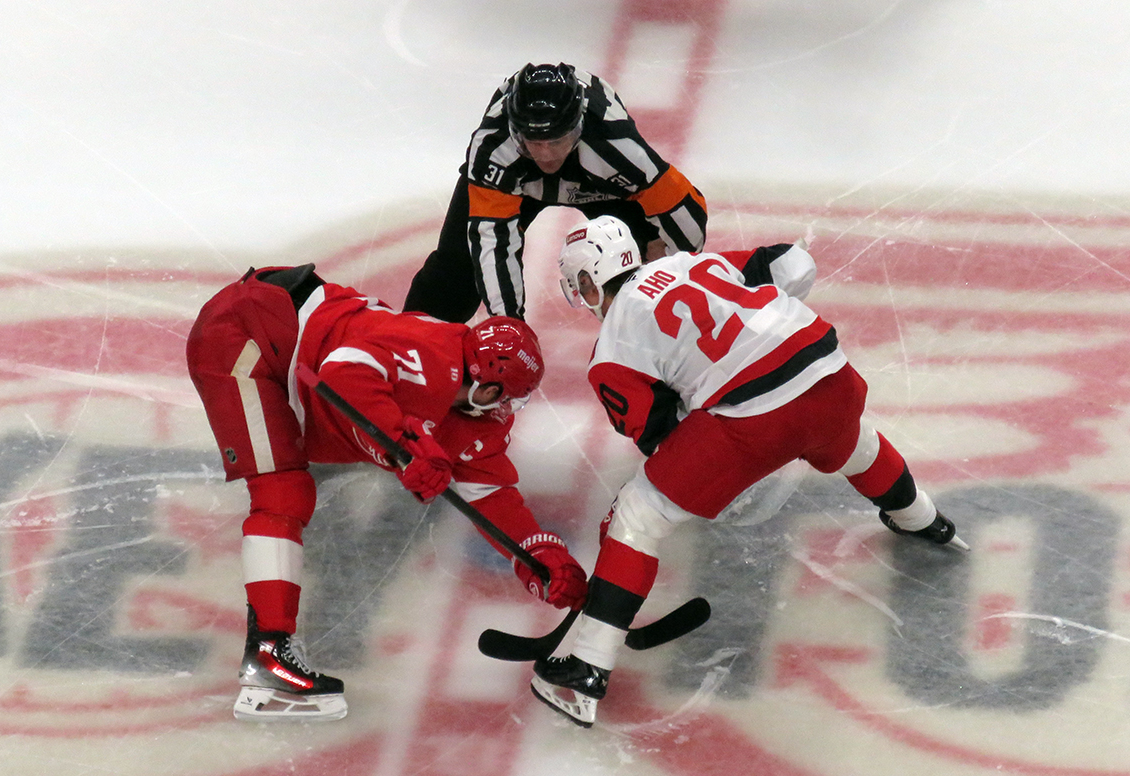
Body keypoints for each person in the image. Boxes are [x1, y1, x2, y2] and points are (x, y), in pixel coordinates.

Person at [531, 216, 967, 728]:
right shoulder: (692, 261)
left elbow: (660, 436)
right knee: (851, 442)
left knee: (638, 516)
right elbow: (791, 263)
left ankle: (585, 669)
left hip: (757, 415)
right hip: (831, 370)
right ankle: (924, 519)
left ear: (584, 283)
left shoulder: (612, 349)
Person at [185, 264, 588, 721]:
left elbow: (490, 493)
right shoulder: (434, 356)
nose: (507, 411)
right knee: (282, 492)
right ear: (487, 385)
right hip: (246, 331)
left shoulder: (471, 403)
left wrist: (536, 552)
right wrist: (404, 447)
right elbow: (341, 372)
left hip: (286, 335)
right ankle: (268, 657)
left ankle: (270, 650)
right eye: (507, 397)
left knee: (289, 489)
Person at [403, 62, 709, 323]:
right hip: (526, 185)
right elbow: (492, 244)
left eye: (555, 140)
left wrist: (677, 267)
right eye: (534, 141)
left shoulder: (616, 144)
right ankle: (408, 350)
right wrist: (510, 324)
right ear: (514, 132)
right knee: (457, 271)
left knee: (644, 269)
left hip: (602, 185)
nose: (546, 155)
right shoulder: (492, 151)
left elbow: (686, 213)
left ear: (578, 129)